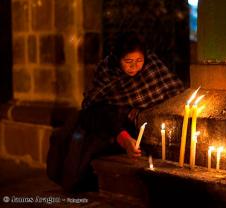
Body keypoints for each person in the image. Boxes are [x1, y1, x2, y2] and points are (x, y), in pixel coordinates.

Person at [47, 32, 184, 193]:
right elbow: (93, 105)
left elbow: (174, 90)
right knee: (101, 115)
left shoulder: (152, 66)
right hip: (110, 128)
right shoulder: (107, 70)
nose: (134, 67)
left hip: (139, 126)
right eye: (128, 61)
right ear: (118, 59)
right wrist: (125, 115)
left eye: (139, 61)